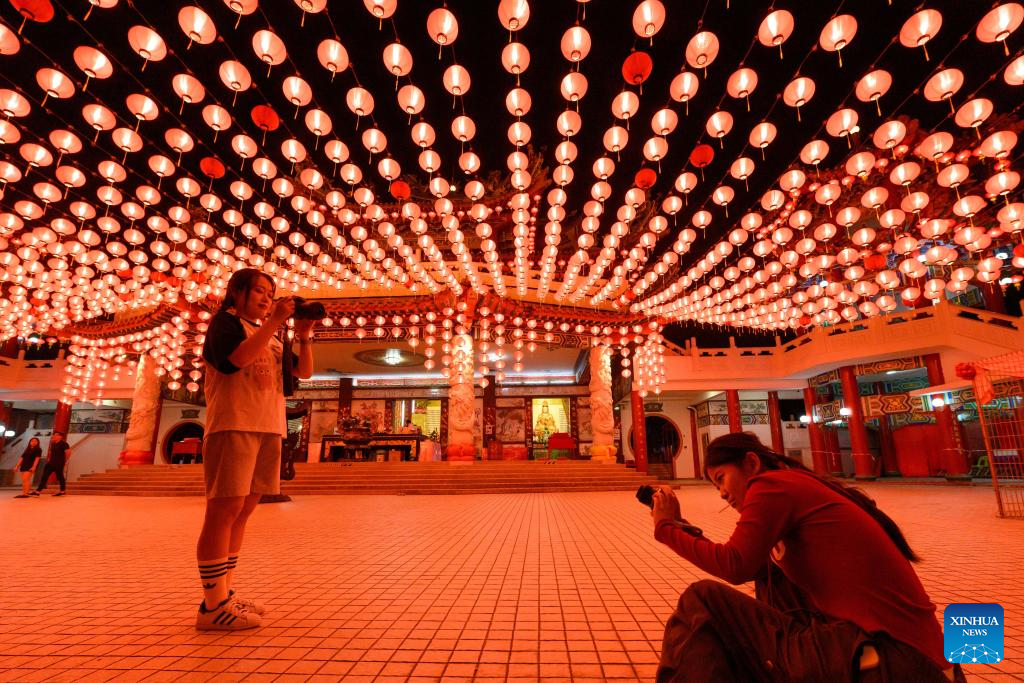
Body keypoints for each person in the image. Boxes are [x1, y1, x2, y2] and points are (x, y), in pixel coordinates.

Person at [652, 432, 963, 682]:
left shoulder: (772, 486)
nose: (721, 493)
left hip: (897, 658)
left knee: (702, 600)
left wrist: (666, 528)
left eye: (721, 478)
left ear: (750, 463)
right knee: (771, 582)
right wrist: (683, 527)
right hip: (915, 659)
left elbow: (734, 565)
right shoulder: (797, 486)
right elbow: (752, 566)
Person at [195, 268, 315, 631]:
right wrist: (274, 320)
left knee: (244, 509)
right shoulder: (225, 323)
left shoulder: (273, 336)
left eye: (270, 292)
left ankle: (225, 595)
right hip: (234, 423)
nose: (267, 298)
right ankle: (212, 606)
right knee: (224, 509)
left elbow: (303, 374)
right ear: (237, 292)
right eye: (259, 291)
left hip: (268, 426)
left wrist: (305, 336)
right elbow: (236, 361)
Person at [34, 432, 70, 497]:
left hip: (59, 463)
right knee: (44, 476)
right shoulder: (53, 443)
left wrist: (65, 461)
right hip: (51, 463)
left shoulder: (64, 444)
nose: (54, 436)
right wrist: (49, 459)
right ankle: (38, 491)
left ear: (60, 437)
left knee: (60, 477)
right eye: (54, 435)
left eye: (56, 435)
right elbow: (51, 452)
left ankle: (62, 491)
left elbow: (68, 452)